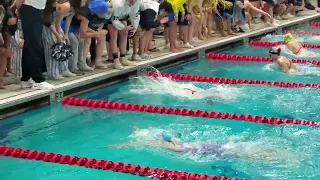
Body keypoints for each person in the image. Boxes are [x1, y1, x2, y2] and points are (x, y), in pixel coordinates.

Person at [104, 128, 300, 163]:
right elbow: (164, 135)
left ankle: (275, 156)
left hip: (202, 150)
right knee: (239, 150)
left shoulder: (171, 145)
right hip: (206, 146)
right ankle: (277, 155)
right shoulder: (174, 141)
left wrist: (119, 147)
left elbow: (146, 141)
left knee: (240, 153)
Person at [12, 0, 55, 90]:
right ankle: (38, 80)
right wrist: (17, 8)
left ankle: (26, 78)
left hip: (36, 9)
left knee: (29, 45)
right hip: (30, 9)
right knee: (34, 45)